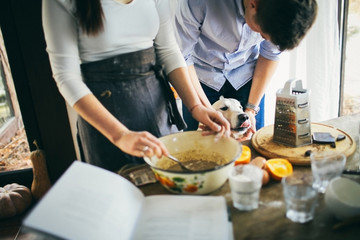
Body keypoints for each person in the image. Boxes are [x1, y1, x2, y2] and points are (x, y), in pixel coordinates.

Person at [42, 0, 230, 172]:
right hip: (106, 122)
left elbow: (168, 51)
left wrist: (196, 107)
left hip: (156, 109)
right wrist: (120, 135)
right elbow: (66, 77)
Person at [174, 0, 318, 140]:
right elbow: (182, 57)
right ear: (253, 4)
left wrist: (251, 109)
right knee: (199, 146)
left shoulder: (280, 12)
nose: (262, 37)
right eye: (262, 32)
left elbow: (270, 54)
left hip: (247, 76)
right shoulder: (198, 2)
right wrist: (205, 111)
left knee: (253, 142)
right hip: (199, 76)